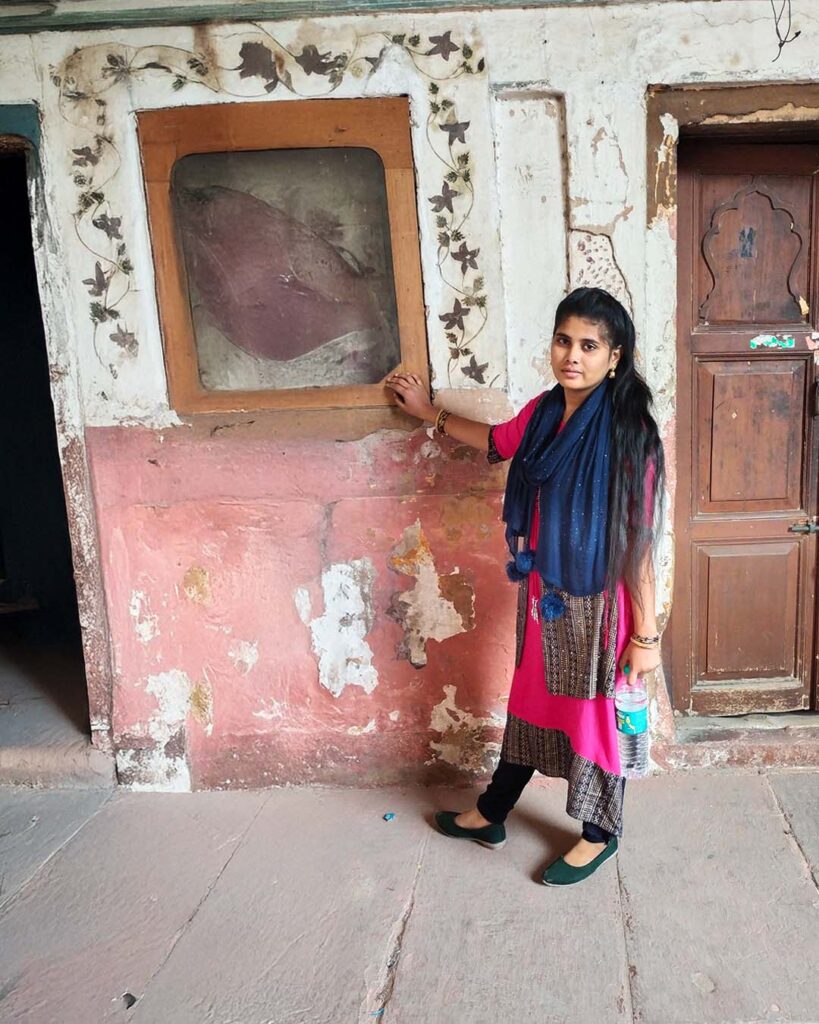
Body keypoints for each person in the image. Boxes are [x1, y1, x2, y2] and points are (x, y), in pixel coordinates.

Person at [385, 286, 664, 886]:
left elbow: (637, 542)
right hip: (544, 596)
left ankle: (599, 833)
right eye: (564, 341)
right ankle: (492, 813)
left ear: (615, 356)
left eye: (590, 345)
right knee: (532, 701)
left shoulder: (627, 431)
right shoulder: (543, 414)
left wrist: (646, 634)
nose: (573, 356)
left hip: (599, 607)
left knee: (592, 718)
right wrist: (424, 411)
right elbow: (492, 442)